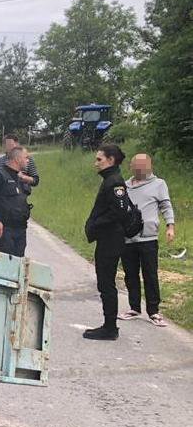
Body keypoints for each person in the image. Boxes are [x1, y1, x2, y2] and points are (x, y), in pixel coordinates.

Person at [118, 153, 175, 327]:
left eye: (143, 166)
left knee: (150, 274)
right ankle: (134, 307)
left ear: (150, 167)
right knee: (130, 274)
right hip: (128, 238)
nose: (139, 169)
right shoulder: (124, 186)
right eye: (136, 165)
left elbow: (166, 206)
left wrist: (170, 226)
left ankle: (154, 311)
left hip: (148, 238)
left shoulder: (159, 184)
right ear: (131, 166)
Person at [83, 144, 133, 340]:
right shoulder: (110, 179)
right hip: (107, 238)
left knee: (106, 283)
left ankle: (110, 328)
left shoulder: (115, 182)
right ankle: (109, 325)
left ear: (111, 160)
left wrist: (95, 224)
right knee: (104, 282)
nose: (96, 163)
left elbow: (119, 212)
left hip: (111, 239)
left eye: (99, 159)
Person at [0, 146, 31, 257]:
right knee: (2, 262)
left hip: (20, 229)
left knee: (18, 263)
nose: (28, 161)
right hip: (3, 229)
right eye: (26, 157)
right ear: (17, 159)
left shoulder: (20, 178)